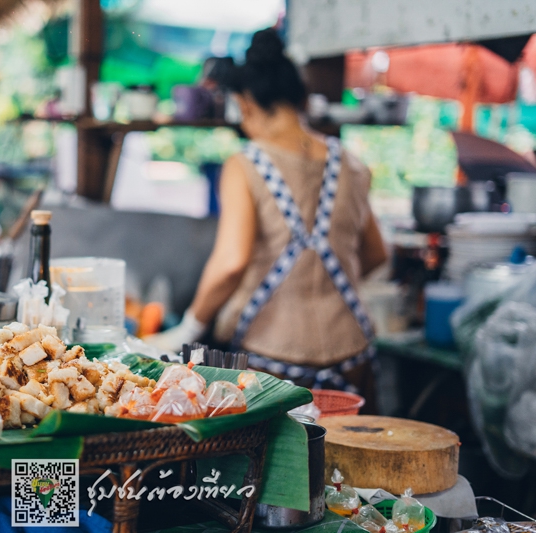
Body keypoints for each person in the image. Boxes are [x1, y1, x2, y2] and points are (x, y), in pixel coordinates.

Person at [147, 28, 387, 402]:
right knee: (343, 460)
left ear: (245, 105)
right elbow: (376, 255)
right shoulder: (351, 165)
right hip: (352, 356)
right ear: (301, 99)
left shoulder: (245, 165)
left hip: (273, 364)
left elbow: (231, 263)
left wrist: (188, 328)